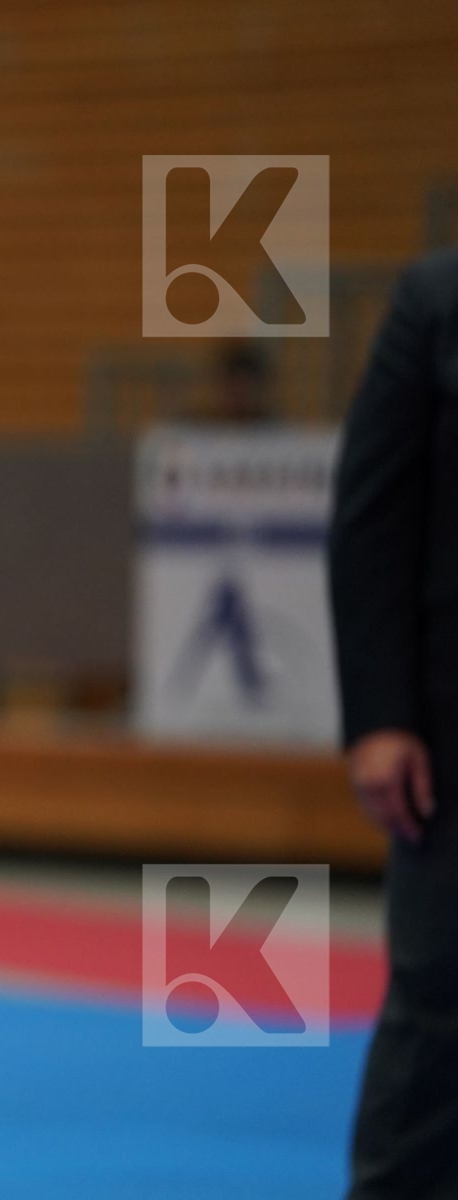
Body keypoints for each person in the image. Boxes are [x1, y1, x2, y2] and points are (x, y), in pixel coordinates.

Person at [329, 246, 458, 1200]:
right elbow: (373, 513)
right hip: (448, 730)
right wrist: (380, 715)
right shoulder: (437, 300)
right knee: (440, 998)